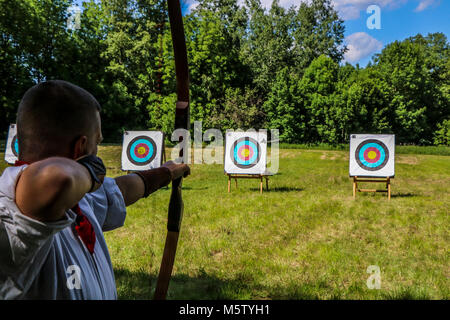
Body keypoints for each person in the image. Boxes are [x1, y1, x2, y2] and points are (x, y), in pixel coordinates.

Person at [0, 80, 190, 299]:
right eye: (96, 142)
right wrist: (92, 169)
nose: (97, 150)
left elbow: (121, 190)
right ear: (80, 147)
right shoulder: (12, 205)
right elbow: (57, 179)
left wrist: (167, 172)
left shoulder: (79, 197)